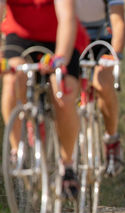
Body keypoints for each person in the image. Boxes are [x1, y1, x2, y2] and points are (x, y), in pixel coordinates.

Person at [0, 0, 89, 199]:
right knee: (12, 79)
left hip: (60, 39)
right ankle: (18, 151)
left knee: (63, 94)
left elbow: (67, 18)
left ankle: (67, 166)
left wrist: (61, 59)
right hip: (21, 38)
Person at [76, 0, 125, 177]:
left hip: (102, 38)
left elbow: (118, 21)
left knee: (102, 82)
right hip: (72, 34)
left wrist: (115, 55)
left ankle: (111, 141)